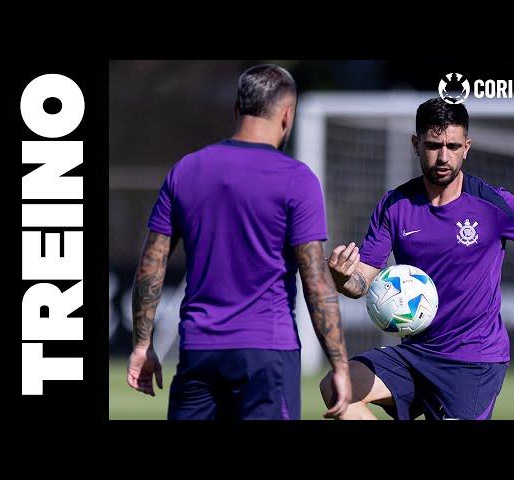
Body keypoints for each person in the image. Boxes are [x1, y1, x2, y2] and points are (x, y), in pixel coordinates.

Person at [320, 97, 514, 420]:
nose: (443, 156)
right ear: (415, 144)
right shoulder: (394, 205)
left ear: (467, 147)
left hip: (473, 362)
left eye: (453, 145)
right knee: (337, 388)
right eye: (434, 145)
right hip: (416, 354)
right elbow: (361, 280)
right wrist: (341, 277)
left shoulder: (493, 204)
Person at [126, 64, 351, 420]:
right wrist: (339, 363)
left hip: (198, 351)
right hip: (266, 355)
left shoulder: (186, 170)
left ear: (236, 110)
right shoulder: (297, 179)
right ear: (287, 114)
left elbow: (151, 265)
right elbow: (316, 281)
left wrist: (141, 344)